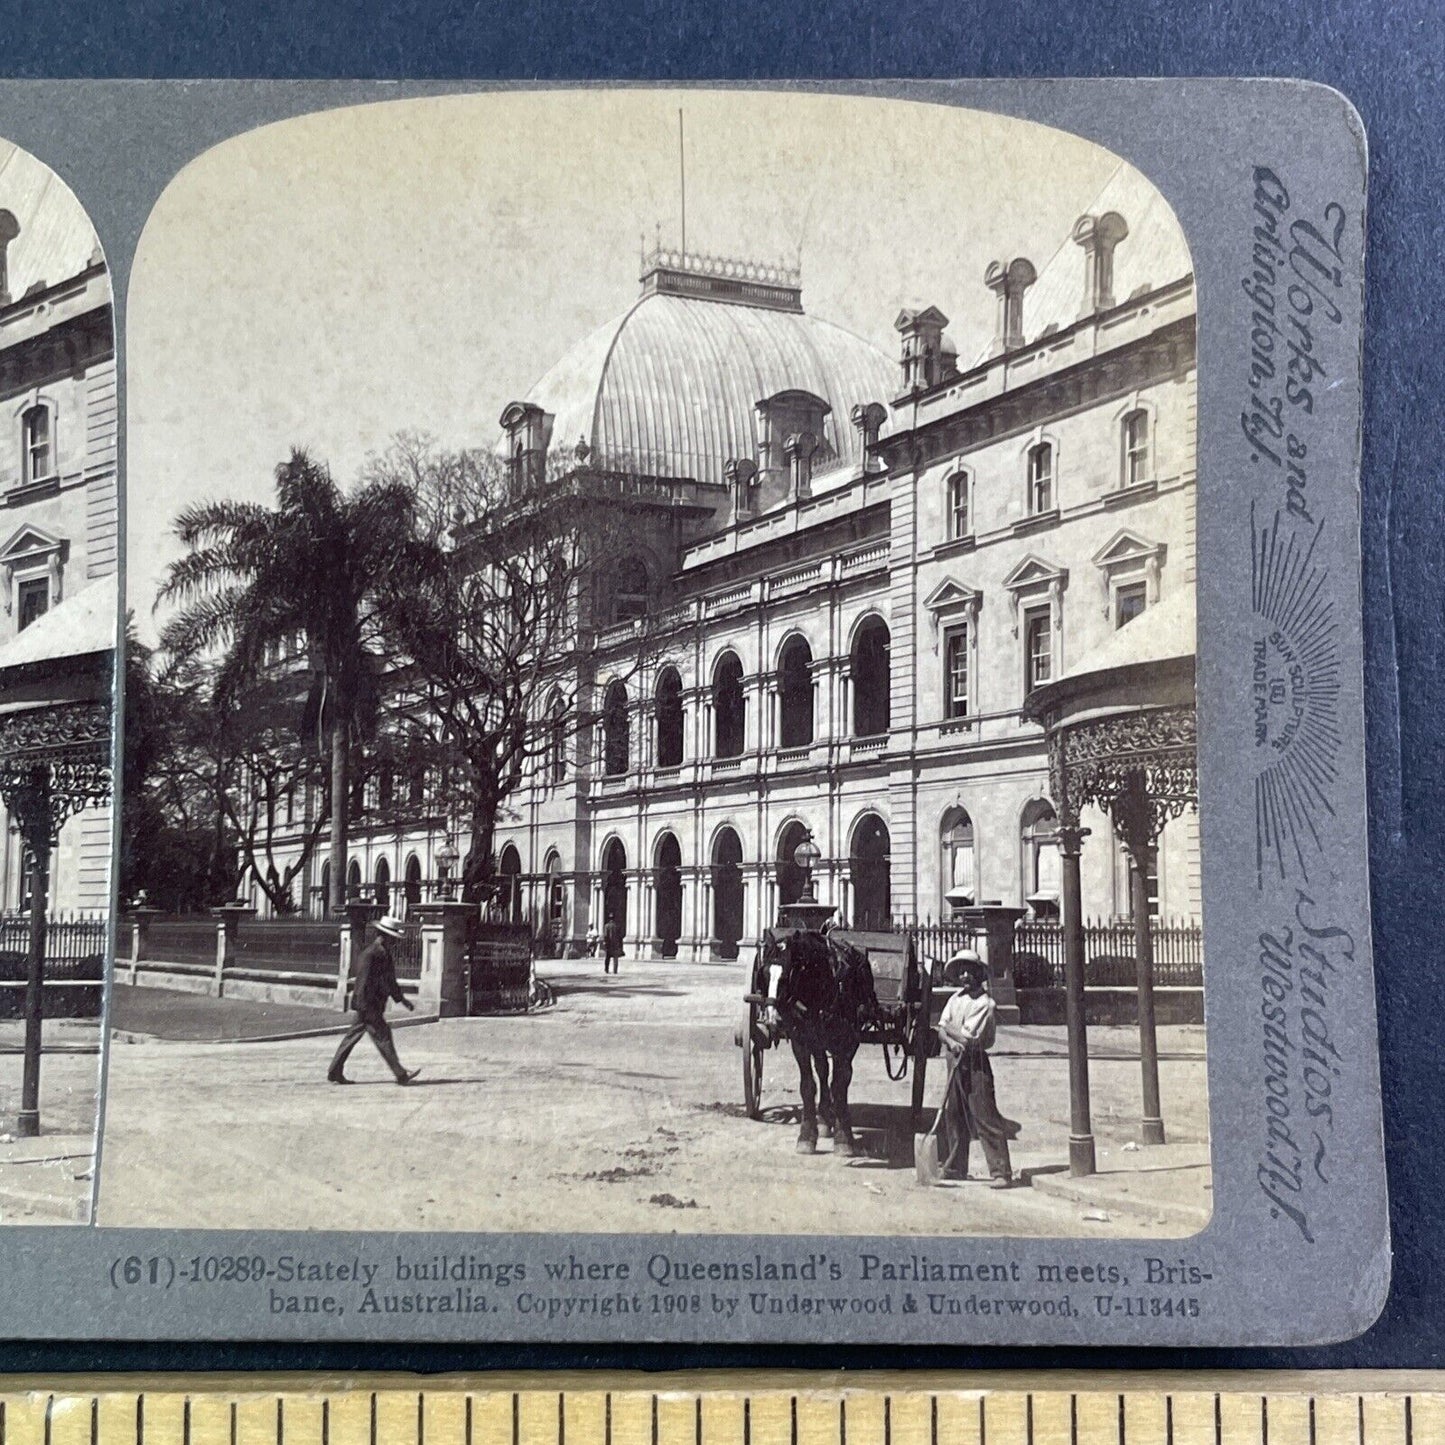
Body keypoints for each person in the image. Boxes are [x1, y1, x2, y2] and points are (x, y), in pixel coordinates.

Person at [935, 950, 1017, 1188]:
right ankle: (954, 1167)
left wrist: (951, 1031)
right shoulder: (955, 999)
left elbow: (968, 1037)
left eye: (970, 970)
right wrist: (950, 1040)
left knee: (985, 1115)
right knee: (954, 1114)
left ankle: (1001, 1171)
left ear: (980, 974)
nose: (965, 975)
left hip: (975, 1063)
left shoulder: (985, 1003)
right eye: (961, 971)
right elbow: (941, 1029)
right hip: (953, 1060)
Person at [327, 913, 420, 1085]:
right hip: (369, 1004)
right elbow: (362, 980)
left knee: (352, 1036)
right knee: (383, 1036)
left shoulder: (382, 953)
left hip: (369, 1004)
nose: (396, 941)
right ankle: (400, 1074)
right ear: (384, 936)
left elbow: (390, 981)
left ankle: (334, 1071)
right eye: (393, 938)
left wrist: (402, 1000)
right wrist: (364, 1005)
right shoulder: (372, 954)